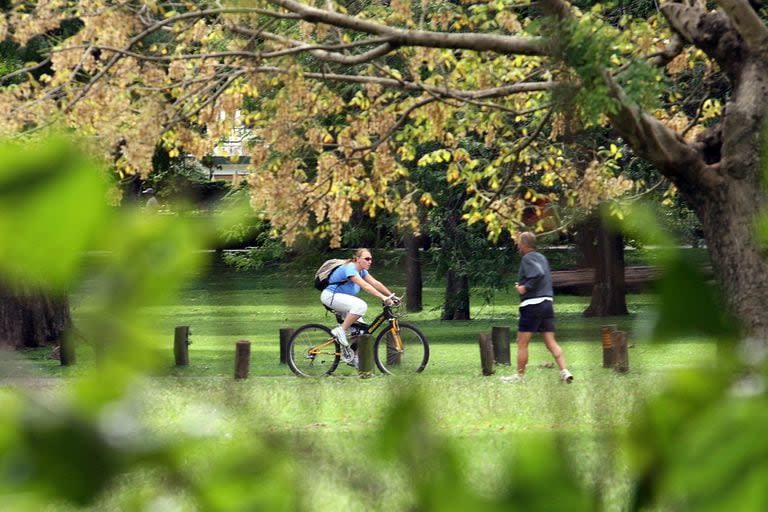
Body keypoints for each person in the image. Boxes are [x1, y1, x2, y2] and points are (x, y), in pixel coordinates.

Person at [321, 248, 399, 365]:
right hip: (331, 296)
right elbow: (366, 286)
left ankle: (352, 357)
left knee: (361, 331)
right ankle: (340, 330)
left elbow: (376, 283)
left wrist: (392, 296)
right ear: (357, 259)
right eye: (367, 259)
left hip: (343, 302)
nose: (370, 261)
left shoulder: (362, 271)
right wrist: (383, 298)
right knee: (361, 306)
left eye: (371, 259)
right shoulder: (350, 268)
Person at [514, 232, 574, 383]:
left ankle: (519, 376)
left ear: (525, 244)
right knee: (550, 342)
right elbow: (542, 274)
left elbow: (538, 273)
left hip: (532, 304)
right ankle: (564, 371)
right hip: (547, 303)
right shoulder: (542, 258)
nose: (518, 246)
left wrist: (524, 288)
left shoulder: (527, 258)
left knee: (522, 343)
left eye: (519, 243)